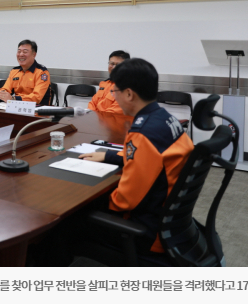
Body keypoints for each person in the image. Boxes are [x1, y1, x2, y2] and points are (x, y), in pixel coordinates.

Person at [79, 58, 194, 254]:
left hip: (148, 231)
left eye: (114, 91)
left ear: (129, 94)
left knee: (69, 221)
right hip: (171, 222)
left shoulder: (143, 133)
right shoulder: (165, 118)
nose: (113, 97)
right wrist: (109, 156)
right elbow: (150, 159)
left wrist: (89, 200)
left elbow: (125, 201)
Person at [0, 39, 51, 105]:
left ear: (34, 55)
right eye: (19, 51)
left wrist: (13, 99)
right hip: (17, 106)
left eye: (25, 52)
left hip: (37, 109)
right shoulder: (14, 71)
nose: (21, 54)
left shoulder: (42, 72)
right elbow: (6, 89)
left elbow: (36, 97)